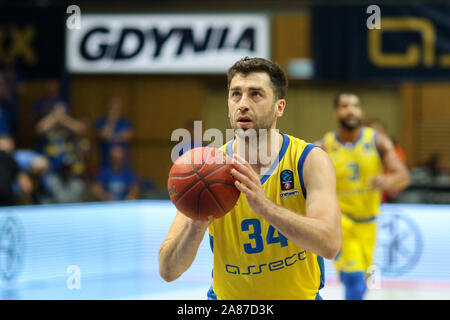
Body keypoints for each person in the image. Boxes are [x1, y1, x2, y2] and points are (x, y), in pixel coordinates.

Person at [159, 57, 342, 300]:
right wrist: (196, 225)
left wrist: (266, 208)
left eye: (255, 94)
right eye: (236, 94)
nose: (243, 104)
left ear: (280, 107)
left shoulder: (308, 160)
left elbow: (329, 244)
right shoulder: (205, 168)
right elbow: (168, 270)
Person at [315, 93, 411, 300]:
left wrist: (388, 180)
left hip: (368, 222)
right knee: (355, 281)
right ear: (336, 112)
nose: (351, 110)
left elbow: (403, 175)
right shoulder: (325, 145)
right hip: (341, 222)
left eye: (356, 105)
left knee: (363, 282)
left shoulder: (377, 141)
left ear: (361, 111)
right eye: (345, 106)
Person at [95, 96, 133, 168]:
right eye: (112, 108)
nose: (114, 111)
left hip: (123, 163)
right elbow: (103, 136)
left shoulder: (125, 122)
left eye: (117, 108)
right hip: (106, 161)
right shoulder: (101, 121)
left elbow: (128, 136)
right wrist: (111, 121)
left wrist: (111, 136)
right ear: (108, 109)